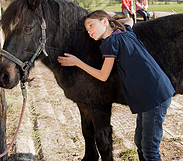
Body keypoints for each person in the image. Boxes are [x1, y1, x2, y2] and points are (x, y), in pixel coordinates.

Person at [57, 10, 175, 161]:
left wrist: (77, 62)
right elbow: (130, 20)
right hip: (154, 92)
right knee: (140, 142)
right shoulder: (125, 31)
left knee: (150, 149)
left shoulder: (110, 43)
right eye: (87, 29)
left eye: (92, 25)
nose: (90, 31)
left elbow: (102, 75)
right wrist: (114, 20)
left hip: (154, 97)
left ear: (104, 21)